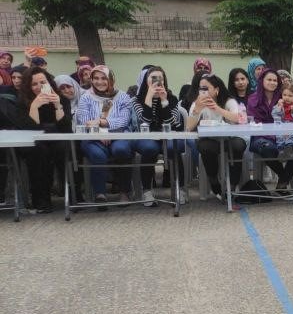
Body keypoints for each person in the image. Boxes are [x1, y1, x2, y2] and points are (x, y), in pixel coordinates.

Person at [128, 67, 185, 207]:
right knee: (149, 148)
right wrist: (149, 97)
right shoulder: (137, 99)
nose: (157, 81)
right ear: (146, 80)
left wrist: (164, 101)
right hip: (146, 138)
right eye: (153, 77)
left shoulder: (171, 98)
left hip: (167, 136)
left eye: (160, 77)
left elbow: (174, 125)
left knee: (174, 147)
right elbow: (144, 123)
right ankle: (146, 191)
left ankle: (179, 189)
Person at [19, 67, 72, 212]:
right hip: (34, 144)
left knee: (63, 149)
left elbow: (66, 129)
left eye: (42, 82)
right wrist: (34, 106)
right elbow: (30, 131)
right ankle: (41, 200)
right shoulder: (23, 102)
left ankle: (72, 196)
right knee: (39, 151)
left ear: (49, 83)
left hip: (57, 141)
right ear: (28, 87)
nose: (38, 87)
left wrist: (57, 105)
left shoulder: (62, 100)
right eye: (34, 84)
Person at [190, 74, 249, 203]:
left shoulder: (229, 101)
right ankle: (214, 182)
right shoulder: (197, 104)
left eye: (206, 88)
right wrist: (197, 110)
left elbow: (237, 119)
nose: (203, 92)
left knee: (238, 146)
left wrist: (217, 108)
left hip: (230, 138)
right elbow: (188, 127)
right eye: (201, 89)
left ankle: (232, 186)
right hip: (210, 140)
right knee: (204, 147)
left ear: (216, 90)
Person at [74, 65, 119, 204]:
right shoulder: (85, 97)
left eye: (104, 78)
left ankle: (124, 190)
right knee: (98, 155)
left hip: (116, 136)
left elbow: (123, 119)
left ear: (110, 80)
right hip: (91, 138)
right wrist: (99, 132)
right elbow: (84, 120)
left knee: (122, 149)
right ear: (91, 80)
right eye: (96, 78)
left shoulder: (120, 95)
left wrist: (102, 126)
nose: (100, 82)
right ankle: (100, 193)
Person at [265, 82, 293, 192]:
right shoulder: (280, 104)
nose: (287, 98)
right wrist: (279, 108)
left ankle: (288, 150)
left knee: (292, 138)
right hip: (282, 128)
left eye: (290, 96)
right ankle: (282, 151)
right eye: (285, 95)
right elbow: (274, 115)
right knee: (280, 137)